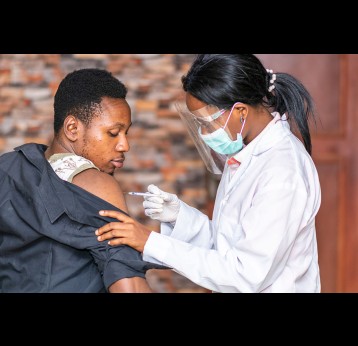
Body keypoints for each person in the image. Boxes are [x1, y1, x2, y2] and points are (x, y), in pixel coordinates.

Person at [95, 54, 322, 293]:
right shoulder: (246, 155)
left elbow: (245, 274)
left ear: (241, 112)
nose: (204, 132)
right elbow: (227, 243)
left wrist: (151, 242)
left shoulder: (282, 171)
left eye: (206, 122)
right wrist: (180, 217)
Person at [0, 68, 165, 293]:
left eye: (126, 133)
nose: (124, 145)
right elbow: (130, 286)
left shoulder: (8, 168)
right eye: (113, 133)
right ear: (72, 128)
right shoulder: (97, 184)